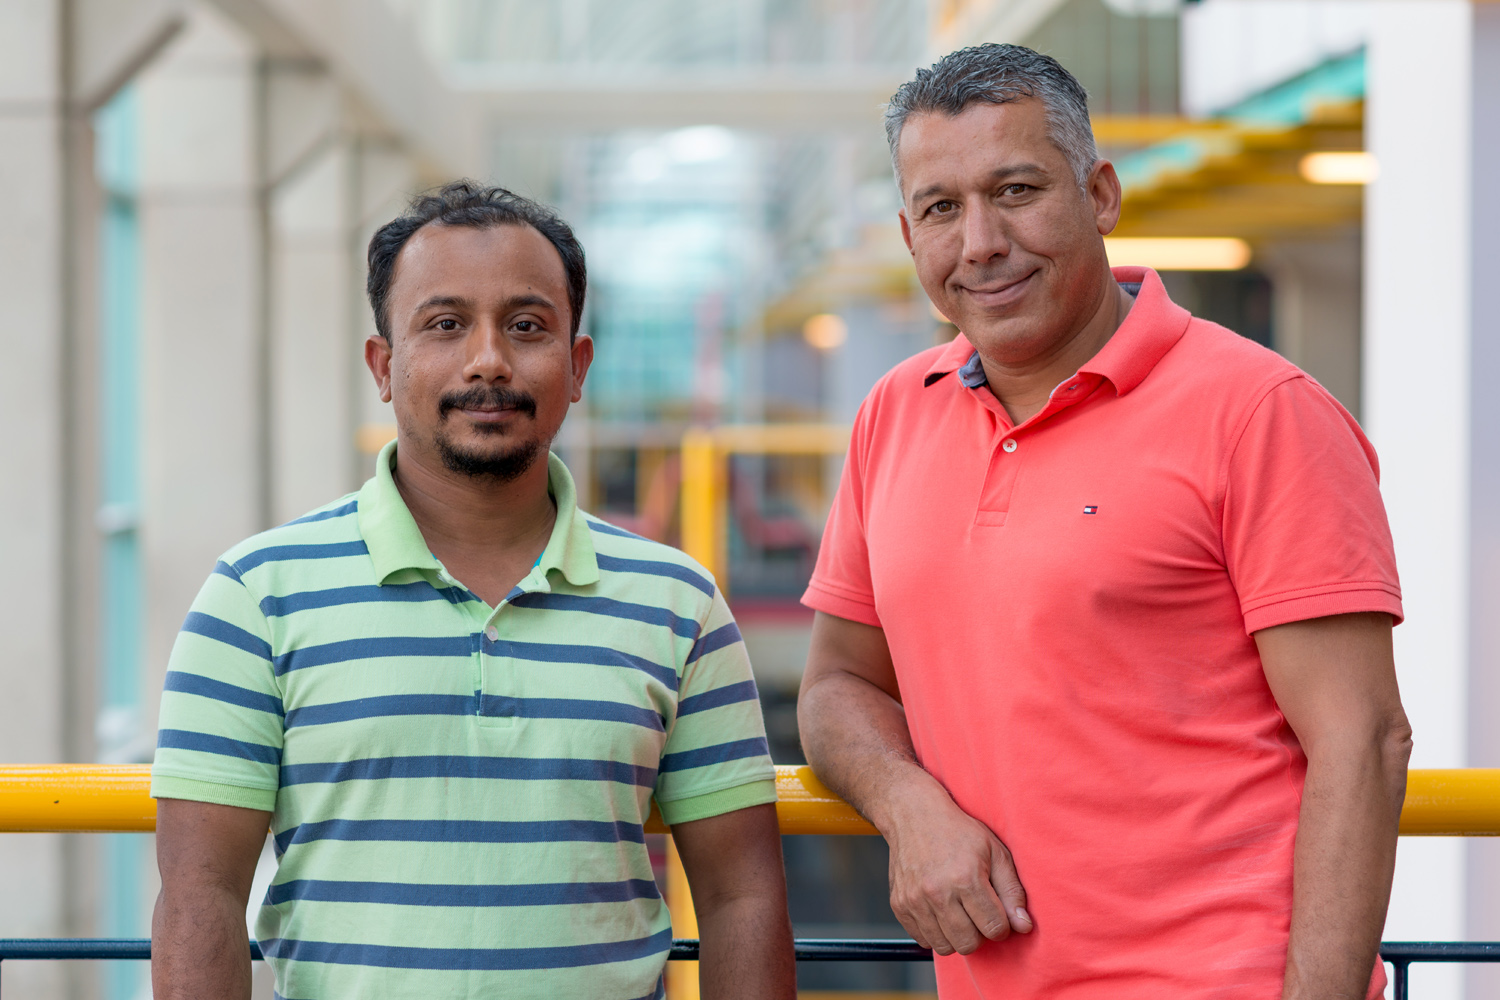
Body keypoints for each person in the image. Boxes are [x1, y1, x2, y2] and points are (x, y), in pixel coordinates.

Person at [797, 44, 1411, 1000]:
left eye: (1017, 189)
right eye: (941, 208)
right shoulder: (894, 410)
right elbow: (837, 684)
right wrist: (906, 804)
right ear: (909, 233)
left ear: (1102, 195)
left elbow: (1362, 741)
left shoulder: (1261, 412)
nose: (982, 243)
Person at [149, 181, 796, 1000]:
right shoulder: (256, 596)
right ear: (385, 365)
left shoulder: (679, 604)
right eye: (445, 324)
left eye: (527, 327)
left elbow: (743, 899)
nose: (489, 359)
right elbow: (199, 897)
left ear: (576, 365)